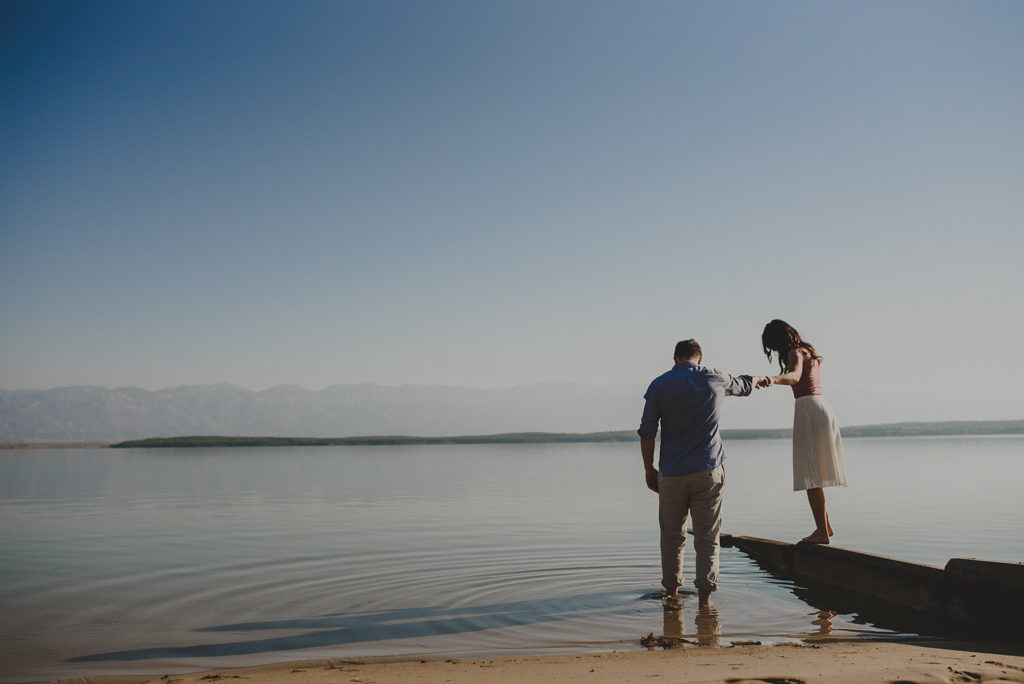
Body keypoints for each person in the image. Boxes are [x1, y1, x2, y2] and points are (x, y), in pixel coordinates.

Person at [638, 339, 767, 607]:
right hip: (708, 471)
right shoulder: (715, 377)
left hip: (672, 473)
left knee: (672, 537)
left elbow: (647, 432)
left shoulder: (659, 384)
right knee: (708, 538)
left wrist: (649, 469)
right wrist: (761, 379)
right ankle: (705, 601)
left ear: (675, 359)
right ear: (699, 358)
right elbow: (744, 384)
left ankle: (672, 596)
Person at [758, 319, 847, 544]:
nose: (774, 351)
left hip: (809, 409)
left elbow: (796, 376)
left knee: (810, 475)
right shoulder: (808, 352)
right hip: (821, 406)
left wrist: (772, 379)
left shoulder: (795, 354)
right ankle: (825, 527)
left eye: (773, 346)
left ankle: (821, 532)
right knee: (813, 473)